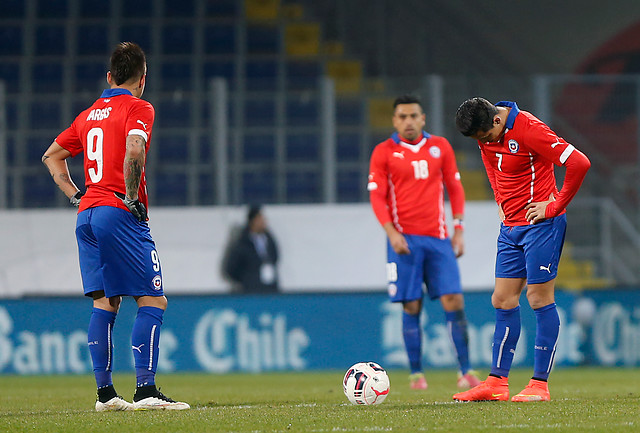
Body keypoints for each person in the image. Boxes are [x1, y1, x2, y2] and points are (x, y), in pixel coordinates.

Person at [42, 42, 189, 411]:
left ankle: (105, 395)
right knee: (153, 298)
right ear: (143, 79)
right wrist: (130, 197)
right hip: (116, 211)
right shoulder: (139, 107)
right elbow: (135, 150)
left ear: (109, 77)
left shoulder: (87, 115)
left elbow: (51, 156)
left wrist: (76, 195)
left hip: (87, 215)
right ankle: (146, 390)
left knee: (106, 302)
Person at [452, 97, 591, 402]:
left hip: (541, 226)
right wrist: (500, 200)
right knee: (502, 299)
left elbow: (579, 163)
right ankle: (497, 383)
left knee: (538, 297)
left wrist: (554, 206)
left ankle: (539, 385)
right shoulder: (485, 132)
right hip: (510, 228)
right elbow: (490, 165)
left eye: (485, 136)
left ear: (497, 121)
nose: (483, 142)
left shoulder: (529, 129)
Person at [367, 94, 481, 391]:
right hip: (404, 240)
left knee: (454, 299)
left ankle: (465, 371)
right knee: (411, 305)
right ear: (394, 121)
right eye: (402, 117)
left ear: (423, 119)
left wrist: (459, 229)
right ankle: (417, 374)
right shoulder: (384, 152)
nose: (408, 121)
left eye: (413, 116)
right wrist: (391, 233)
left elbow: (455, 187)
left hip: (439, 239)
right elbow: (377, 197)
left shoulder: (440, 147)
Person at [222, 205, 280, 293]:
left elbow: (275, 257)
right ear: (253, 221)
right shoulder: (241, 243)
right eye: (260, 219)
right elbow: (231, 269)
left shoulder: (269, 239)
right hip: (250, 290)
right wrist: (248, 280)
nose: (263, 222)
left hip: (270, 288)